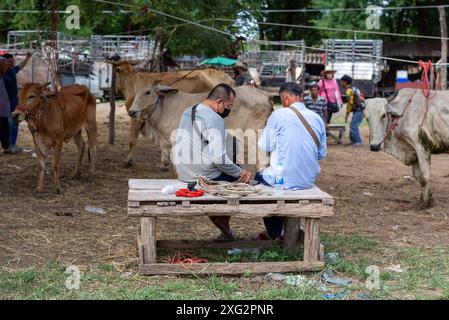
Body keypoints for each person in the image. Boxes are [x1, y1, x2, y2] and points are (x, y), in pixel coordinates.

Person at [174, 83, 252, 240]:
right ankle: (224, 226)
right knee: (244, 181)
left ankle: (223, 227)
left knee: (231, 158)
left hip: (183, 171)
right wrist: (240, 172)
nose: (228, 110)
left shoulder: (188, 111)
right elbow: (218, 158)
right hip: (202, 177)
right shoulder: (215, 119)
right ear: (219, 102)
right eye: (228, 106)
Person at [257, 82, 327, 239]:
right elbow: (321, 154)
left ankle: (275, 233)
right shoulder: (317, 118)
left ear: (285, 98)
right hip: (307, 180)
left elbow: (265, 145)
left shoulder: (278, 115)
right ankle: (282, 232)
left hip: (282, 180)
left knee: (258, 177)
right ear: (301, 97)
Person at [2, 52, 32, 154]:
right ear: (3, 62)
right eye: (9, 62)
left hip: (14, 104)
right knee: (8, 125)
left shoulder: (12, 70)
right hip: (4, 105)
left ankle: (11, 145)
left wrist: (27, 58)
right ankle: (9, 146)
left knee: (13, 124)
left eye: (12, 62)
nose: (12, 64)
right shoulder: (2, 75)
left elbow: (20, 66)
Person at [341, 75, 366, 147]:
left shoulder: (349, 90)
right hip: (359, 109)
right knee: (352, 125)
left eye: (342, 81)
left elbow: (349, 104)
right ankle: (353, 141)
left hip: (360, 109)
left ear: (345, 82)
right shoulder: (354, 88)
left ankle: (358, 141)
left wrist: (346, 115)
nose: (341, 83)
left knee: (353, 125)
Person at [0, 57, 11, 153]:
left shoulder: (1, 78)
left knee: (5, 129)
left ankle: (5, 147)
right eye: (4, 65)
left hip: (3, 112)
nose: (6, 68)